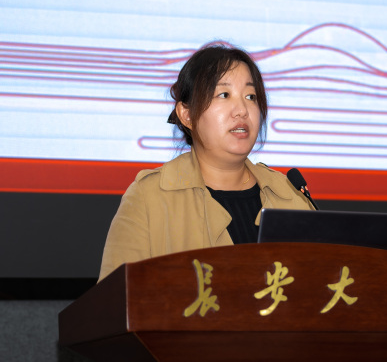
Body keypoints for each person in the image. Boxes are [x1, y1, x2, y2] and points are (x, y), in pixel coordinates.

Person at [98, 44, 314, 281]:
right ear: (187, 115)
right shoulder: (148, 198)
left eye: (250, 96)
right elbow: (115, 299)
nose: (242, 110)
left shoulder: (291, 196)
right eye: (224, 95)